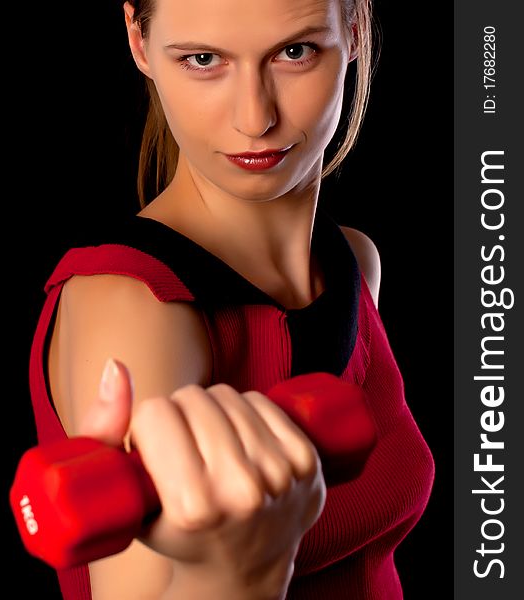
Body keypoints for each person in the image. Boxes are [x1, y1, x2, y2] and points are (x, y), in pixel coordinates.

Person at [25, 0, 435, 598]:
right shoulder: (137, 308)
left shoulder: (353, 262)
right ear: (139, 43)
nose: (254, 118)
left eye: (294, 52)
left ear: (354, 30)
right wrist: (230, 576)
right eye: (203, 59)